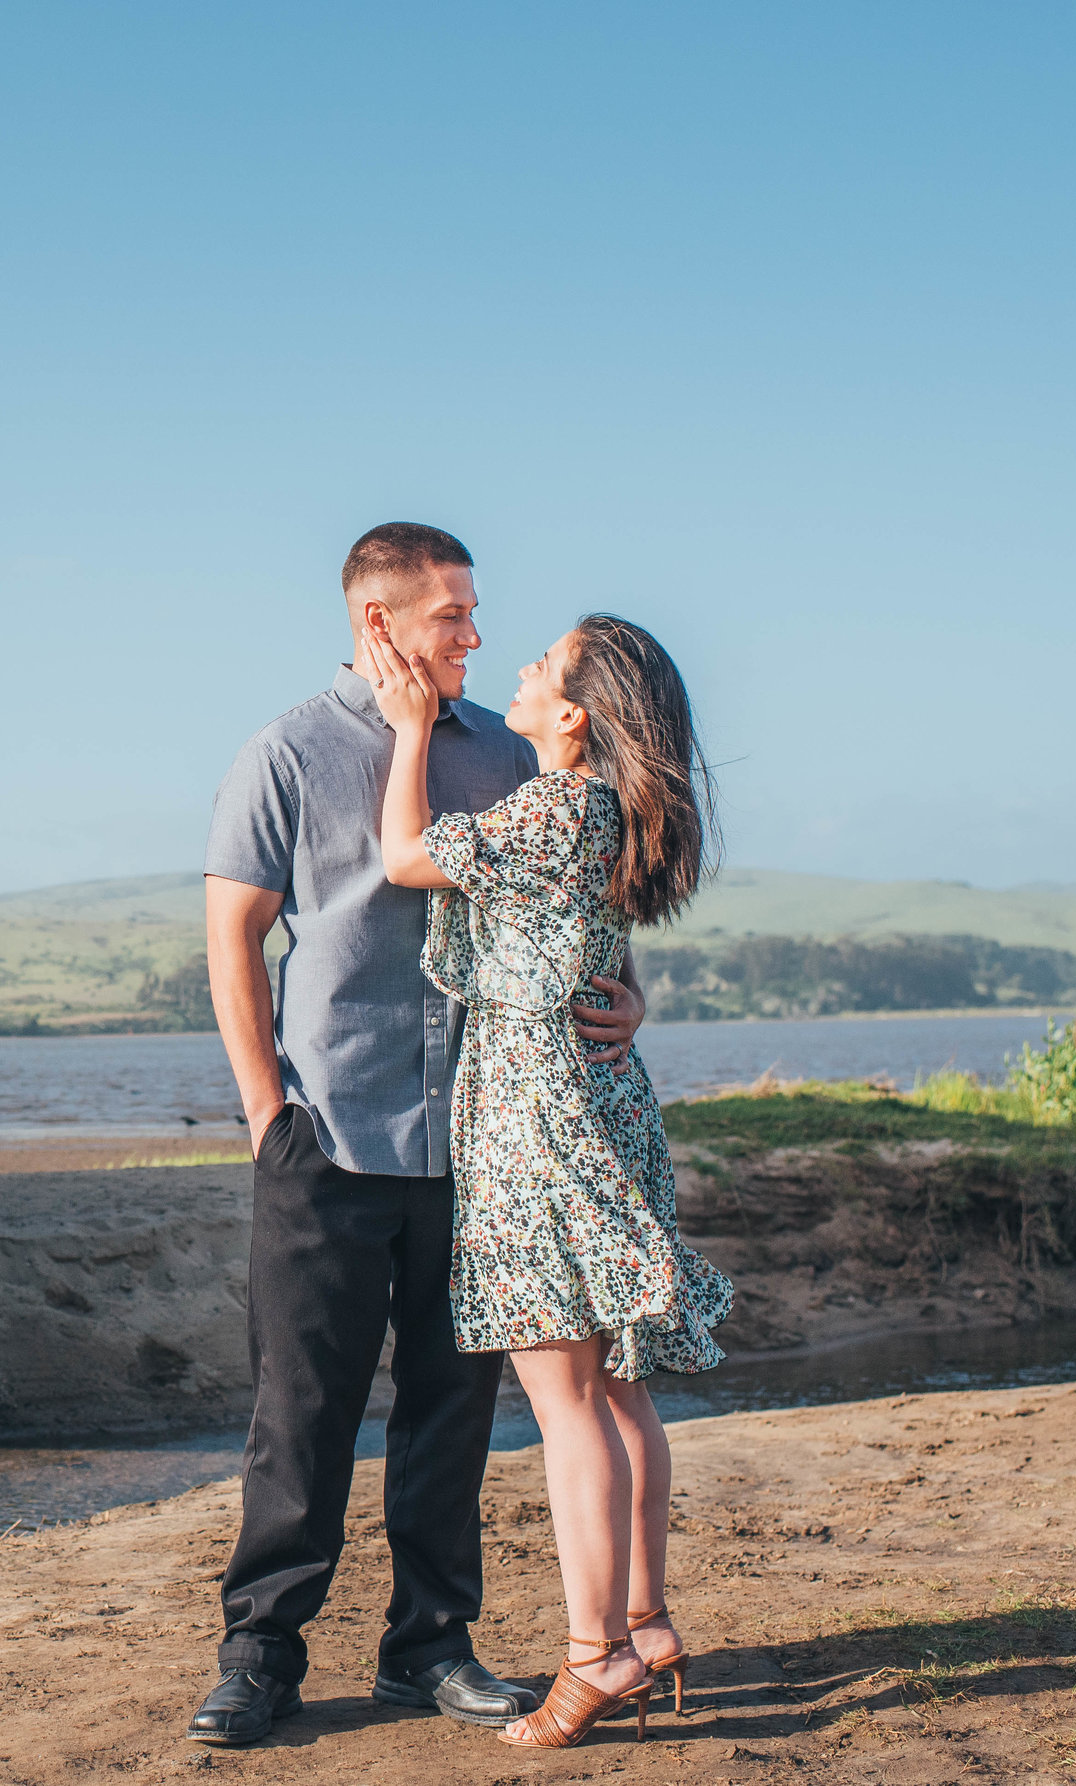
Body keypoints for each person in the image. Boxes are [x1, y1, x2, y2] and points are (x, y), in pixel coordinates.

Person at [187, 525, 648, 1746]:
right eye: (453, 615)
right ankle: (261, 1654)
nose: (476, 635)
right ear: (379, 623)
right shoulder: (282, 753)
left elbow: (578, 890)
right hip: (326, 1132)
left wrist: (630, 989)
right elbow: (232, 941)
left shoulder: (510, 750)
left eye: (476, 612)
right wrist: (262, 1113)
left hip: (482, 1141)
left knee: (454, 1407)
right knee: (305, 1407)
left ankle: (429, 1647)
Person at [365, 612, 734, 1749]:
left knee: (566, 1400)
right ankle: (645, 1621)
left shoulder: (548, 803)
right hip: (596, 1097)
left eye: (539, 664)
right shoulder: (606, 810)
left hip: (537, 1112)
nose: (517, 667)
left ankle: (594, 1660)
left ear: (571, 714)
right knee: (618, 1389)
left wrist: (409, 728)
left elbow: (402, 856)